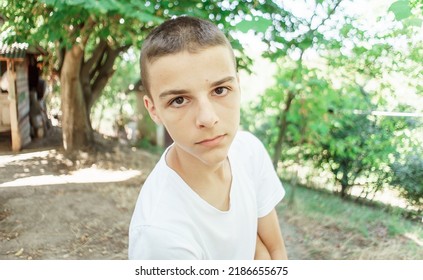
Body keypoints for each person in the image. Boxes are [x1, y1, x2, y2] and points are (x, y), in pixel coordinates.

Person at [128, 16, 288, 260]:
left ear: (238, 87)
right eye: (179, 100)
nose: (208, 118)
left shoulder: (249, 151)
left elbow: (275, 252)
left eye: (220, 90)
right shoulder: (161, 237)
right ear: (153, 110)